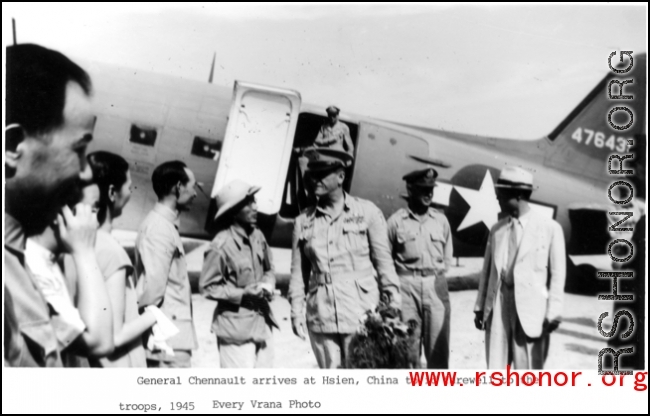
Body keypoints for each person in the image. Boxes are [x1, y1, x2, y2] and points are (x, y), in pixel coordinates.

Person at [4, 43, 113, 366]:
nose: (87, 171)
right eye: (78, 149)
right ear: (12, 146)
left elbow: (95, 338)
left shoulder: (18, 262)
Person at [288, 147, 401, 368]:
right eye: (312, 174)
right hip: (321, 315)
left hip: (361, 314)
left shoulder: (367, 212)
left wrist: (393, 303)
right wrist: (295, 311)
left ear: (341, 177)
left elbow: (384, 264)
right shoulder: (303, 221)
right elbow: (298, 275)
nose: (314, 180)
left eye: (322, 174)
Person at [78, 151, 177, 367]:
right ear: (113, 192)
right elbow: (116, 335)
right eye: (129, 186)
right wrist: (155, 314)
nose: (130, 192)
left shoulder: (79, 244)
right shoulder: (112, 252)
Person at [473, 166, 566, 369]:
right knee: (497, 368)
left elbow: (558, 275)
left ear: (517, 194)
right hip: (499, 307)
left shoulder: (550, 228)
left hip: (531, 312)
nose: (496, 197)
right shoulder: (496, 230)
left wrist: (554, 312)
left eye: (501, 192)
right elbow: (487, 272)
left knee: (529, 371)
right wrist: (480, 308)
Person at [200, 180, 278, 368]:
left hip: (262, 325)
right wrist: (243, 294)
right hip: (235, 333)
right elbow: (207, 287)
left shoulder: (258, 236)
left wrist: (268, 284)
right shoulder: (221, 245)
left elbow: (269, 269)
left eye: (255, 201)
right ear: (234, 211)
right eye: (249, 203)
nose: (256, 207)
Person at [387, 167, 453, 368]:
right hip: (406, 289)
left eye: (431, 189)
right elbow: (385, 260)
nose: (429, 194)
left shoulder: (440, 220)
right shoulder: (396, 221)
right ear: (410, 189)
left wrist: (434, 277)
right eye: (423, 189)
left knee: (438, 352)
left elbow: (447, 257)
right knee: (407, 352)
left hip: (435, 287)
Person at [135, 160, 199, 368]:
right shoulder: (160, 229)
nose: (196, 193)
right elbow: (152, 291)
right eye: (193, 186)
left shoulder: (165, 225)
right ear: (178, 187)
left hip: (171, 335)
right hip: (167, 340)